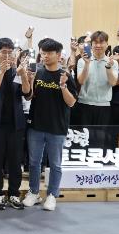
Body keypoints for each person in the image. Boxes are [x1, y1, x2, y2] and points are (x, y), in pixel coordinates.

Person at [22, 39, 78, 211]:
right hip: (36, 125)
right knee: (34, 162)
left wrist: (63, 86)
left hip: (57, 127)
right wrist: (28, 79)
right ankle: (34, 192)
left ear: (58, 55)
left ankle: (52, 194)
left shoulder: (65, 75)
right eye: (43, 53)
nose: (45, 56)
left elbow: (71, 102)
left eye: (49, 53)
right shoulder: (37, 73)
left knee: (55, 164)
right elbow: (28, 96)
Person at [0, 37, 31, 210]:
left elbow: (27, 93)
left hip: (16, 124)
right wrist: (2, 72)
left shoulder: (18, 71)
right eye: (4, 52)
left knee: (15, 161)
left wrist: (23, 75)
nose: (8, 55)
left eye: (11, 52)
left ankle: (14, 194)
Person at [75, 31, 119, 150]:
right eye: (95, 42)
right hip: (85, 104)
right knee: (84, 139)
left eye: (101, 42)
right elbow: (81, 81)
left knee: (99, 139)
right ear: (91, 44)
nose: (98, 45)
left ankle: (98, 159)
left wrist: (108, 67)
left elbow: (113, 83)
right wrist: (87, 64)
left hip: (104, 105)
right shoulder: (82, 61)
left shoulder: (113, 62)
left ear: (107, 44)